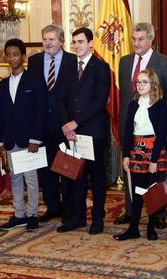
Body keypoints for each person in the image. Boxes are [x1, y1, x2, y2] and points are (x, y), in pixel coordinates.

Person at [115, 22, 167, 227]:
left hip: (153, 130)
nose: (136, 43)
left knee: (154, 174)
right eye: (134, 39)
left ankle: (157, 214)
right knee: (131, 170)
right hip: (130, 127)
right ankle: (132, 212)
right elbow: (125, 98)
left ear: (151, 39)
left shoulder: (164, 62)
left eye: (140, 39)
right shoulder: (124, 61)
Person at [56, 27, 111, 234]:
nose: (77, 46)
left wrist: (75, 122)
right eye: (75, 42)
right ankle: (78, 217)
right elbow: (59, 98)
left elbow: (98, 102)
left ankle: (98, 219)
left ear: (90, 44)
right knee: (75, 176)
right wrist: (65, 125)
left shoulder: (101, 67)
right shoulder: (68, 67)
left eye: (80, 42)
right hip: (71, 133)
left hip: (93, 132)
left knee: (96, 177)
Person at [113, 69, 167, 241]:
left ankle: (151, 228)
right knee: (137, 192)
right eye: (138, 82)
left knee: (151, 191)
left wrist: (153, 160)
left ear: (153, 84)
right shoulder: (133, 104)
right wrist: (126, 155)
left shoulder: (160, 105)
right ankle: (133, 229)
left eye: (144, 82)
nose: (140, 85)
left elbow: (161, 133)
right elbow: (128, 130)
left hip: (153, 151)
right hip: (136, 151)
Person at [27, 24, 76, 223]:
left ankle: (68, 208)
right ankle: (52, 206)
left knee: (66, 168)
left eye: (52, 39)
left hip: (64, 125)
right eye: (45, 39)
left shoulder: (73, 61)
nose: (47, 43)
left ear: (61, 41)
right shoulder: (34, 61)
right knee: (45, 169)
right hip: (42, 125)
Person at [0, 38, 46, 232]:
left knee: (31, 179)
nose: (11, 58)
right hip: (10, 139)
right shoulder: (2, 86)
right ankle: (19, 215)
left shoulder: (34, 81)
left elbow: (40, 111)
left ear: (23, 57)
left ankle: (32, 214)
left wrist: (35, 139)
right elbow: (0, 115)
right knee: (15, 178)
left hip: (29, 140)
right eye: (8, 55)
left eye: (15, 54)